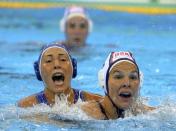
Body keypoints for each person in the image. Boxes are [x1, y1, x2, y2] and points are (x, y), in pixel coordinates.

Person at [18, 43, 102, 107]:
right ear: (38, 71)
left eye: (63, 59)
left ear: (73, 67)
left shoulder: (96, 102)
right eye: (48, 61)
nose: (57, 65)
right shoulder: (27, 106)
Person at [82, 51, 154, 120]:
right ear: (103, 81)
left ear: (140, 82)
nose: (127, 83)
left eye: (133, 77)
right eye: (118, 77)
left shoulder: (148, 115)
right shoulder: (85, 115)